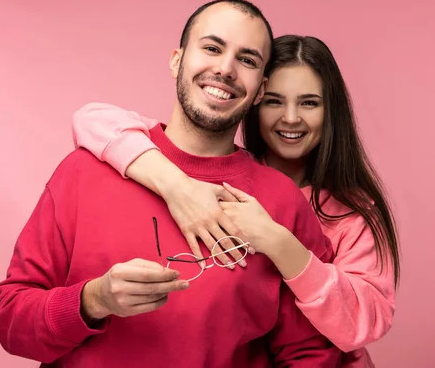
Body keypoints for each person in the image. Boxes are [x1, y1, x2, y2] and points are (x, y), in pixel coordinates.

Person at [0, 0, 342, 368]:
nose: (225, 69)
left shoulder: (281, 202)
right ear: (177, 60)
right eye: (211, 47)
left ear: (260, 89)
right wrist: (94, 300)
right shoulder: (82, 173)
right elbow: (11, 321)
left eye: (247, 60)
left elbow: (311, 353)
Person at [71, 35, 401, 367]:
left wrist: (278, 241)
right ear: (255, 98)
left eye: (309, 103)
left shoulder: (352, 210)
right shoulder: (212, 172)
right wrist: (175, 184)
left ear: (332, 111)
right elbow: (91, 119)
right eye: (274, 101)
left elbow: (365, 321)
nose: (290, 118)